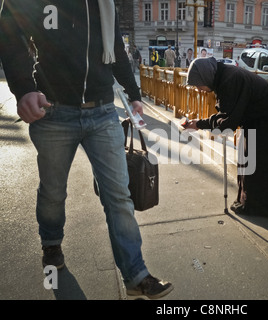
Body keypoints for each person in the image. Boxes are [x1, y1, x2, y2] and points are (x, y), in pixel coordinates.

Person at [0, 0, 173, 299]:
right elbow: (8, 30)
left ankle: (136, 274)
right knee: (54, 191)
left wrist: (134, 94)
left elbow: (116, 50)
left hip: (103, 111)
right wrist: (24, 87)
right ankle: (51, 245)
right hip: (53, 111)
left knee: (119, 194)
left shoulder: (104, 4)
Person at [186, 57, 268, 218]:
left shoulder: (230, 79)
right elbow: (228, 113)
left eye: (198, 84)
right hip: (256, 118)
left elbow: (228, 119)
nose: (198, 89)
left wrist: (199, 124)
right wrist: (202, 123)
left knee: (259, 164)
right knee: (246, 161)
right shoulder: (223, 77)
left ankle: (260, 208)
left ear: (206, 76)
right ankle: (247, 202)